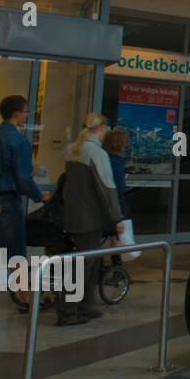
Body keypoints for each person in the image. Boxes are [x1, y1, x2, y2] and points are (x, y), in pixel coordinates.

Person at [0, 96, 51, 312]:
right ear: (17, 114)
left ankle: (28, 297)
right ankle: (30, 300)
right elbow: (22, 177)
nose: (26, 115)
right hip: (5, 201)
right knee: (15, 252)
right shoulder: (18, 140)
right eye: (25, 111)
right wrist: (40, 196)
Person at [58, 113, 124, 326]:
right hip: (90, 218)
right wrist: (116, 218)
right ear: (102, 128)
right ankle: (67, 312)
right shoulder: (97, 153)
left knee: (90, 262)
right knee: (84, 264)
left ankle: (85, 306)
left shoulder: (72, 150)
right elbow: (107, 190)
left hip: (73, 214)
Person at [103, 129, 132, 266]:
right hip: (116, 202)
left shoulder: (104, 158)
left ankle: (116, 263)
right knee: (118, 233)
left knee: (113, 236)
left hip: (104, 203)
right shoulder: (117, 162)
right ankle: (117, 265)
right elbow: (119, 186)